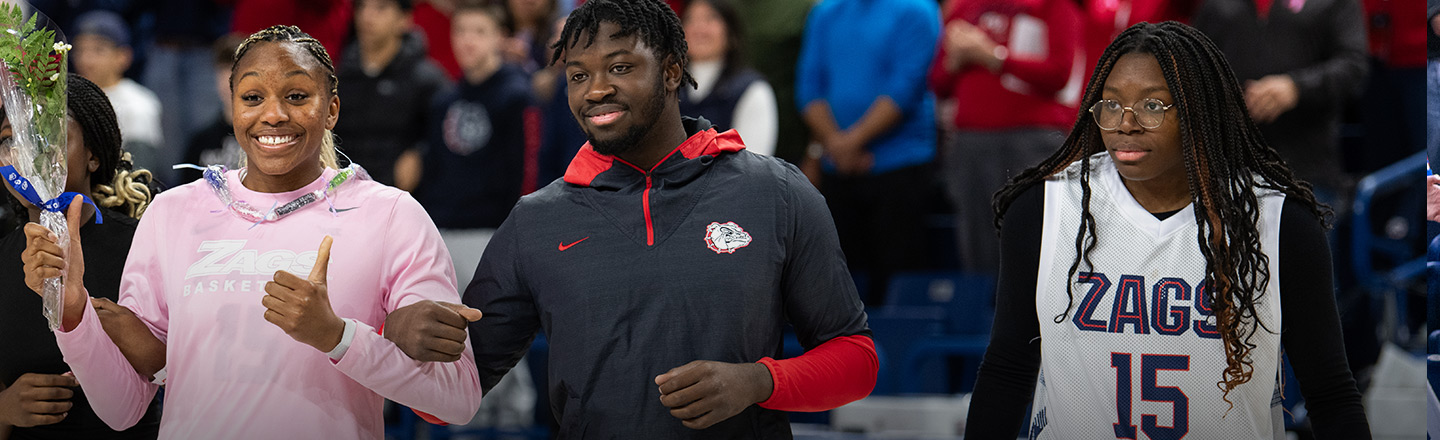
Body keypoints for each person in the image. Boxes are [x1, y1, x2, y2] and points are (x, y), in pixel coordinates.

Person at [381, 0, 877, 436]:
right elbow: (448, 403)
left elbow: (858, 361)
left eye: (619, 67)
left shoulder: (777, 192)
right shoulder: (536, 221)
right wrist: (404, 348)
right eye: (578, 75)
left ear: (671, 70)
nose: (595, 90)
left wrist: (760, 381)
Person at [19, 25, 483, 439]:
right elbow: (124, 410)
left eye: (298, 96)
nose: (273, 115)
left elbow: (457, 400)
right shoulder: (173, 212)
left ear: (332, 109)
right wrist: (72, 310)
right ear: (233, 104)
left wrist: (338, 337)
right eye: (253, 97)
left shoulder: (390, 214)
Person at [964, 22, 1371, 438]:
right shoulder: (1045, 207)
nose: (1125, 123)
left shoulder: (1279, 222)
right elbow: (1007, 369)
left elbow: (1329, 393)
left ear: (1199, 110)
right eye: (1111, 104)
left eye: (1152, 106)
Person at [0, 74, 160, 440]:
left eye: (48, 135)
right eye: (10, 139)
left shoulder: (145, 245)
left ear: (93, 155)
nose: (25, 152)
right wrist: (4, 408)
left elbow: (186, 377)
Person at [795, 0, 940, 304]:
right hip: (837, 168)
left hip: (900, 165)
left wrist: (850, 142)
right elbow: (809, 86)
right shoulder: (825, 13)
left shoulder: (917, 10)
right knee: (838, 280)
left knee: (900, 277)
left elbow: (906, 86)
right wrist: (836, 143)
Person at [928, 0, 1081, 280]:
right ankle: (980, 318)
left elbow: (1060, 73)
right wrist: (956, 59)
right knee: (975, 240)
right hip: (970, 140)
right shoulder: (964, 7)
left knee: (1032, 236)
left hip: (1032, 138)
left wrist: (993, 56)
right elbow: (938, 82)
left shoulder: (1052, 5)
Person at [334, 0, 452, 189]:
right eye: (362, 7)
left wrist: (421, 155)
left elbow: (447, 139)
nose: (367, 16)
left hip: (404, 197)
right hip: (344, 196)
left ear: (404, 19)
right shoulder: (339, 76)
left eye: (380, 8)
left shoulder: (427, 80)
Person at [72, 10, 166, 185]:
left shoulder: (140, 104)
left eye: (98, 50)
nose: (86, 59)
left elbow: (141, 175)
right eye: (80, 50)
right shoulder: (68, 97)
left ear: (123, 56)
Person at [679, 0, 778, 156]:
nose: (699, 28)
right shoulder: (668, 86)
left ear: (731, 32)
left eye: (710, 18)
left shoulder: (751, 89)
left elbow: (754, 161)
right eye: (690, 19)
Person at [178, 35, 246, 185]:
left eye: (237, 70)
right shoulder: (201, 141)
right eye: (224, 70)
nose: (229, 79)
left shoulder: (267, 138)